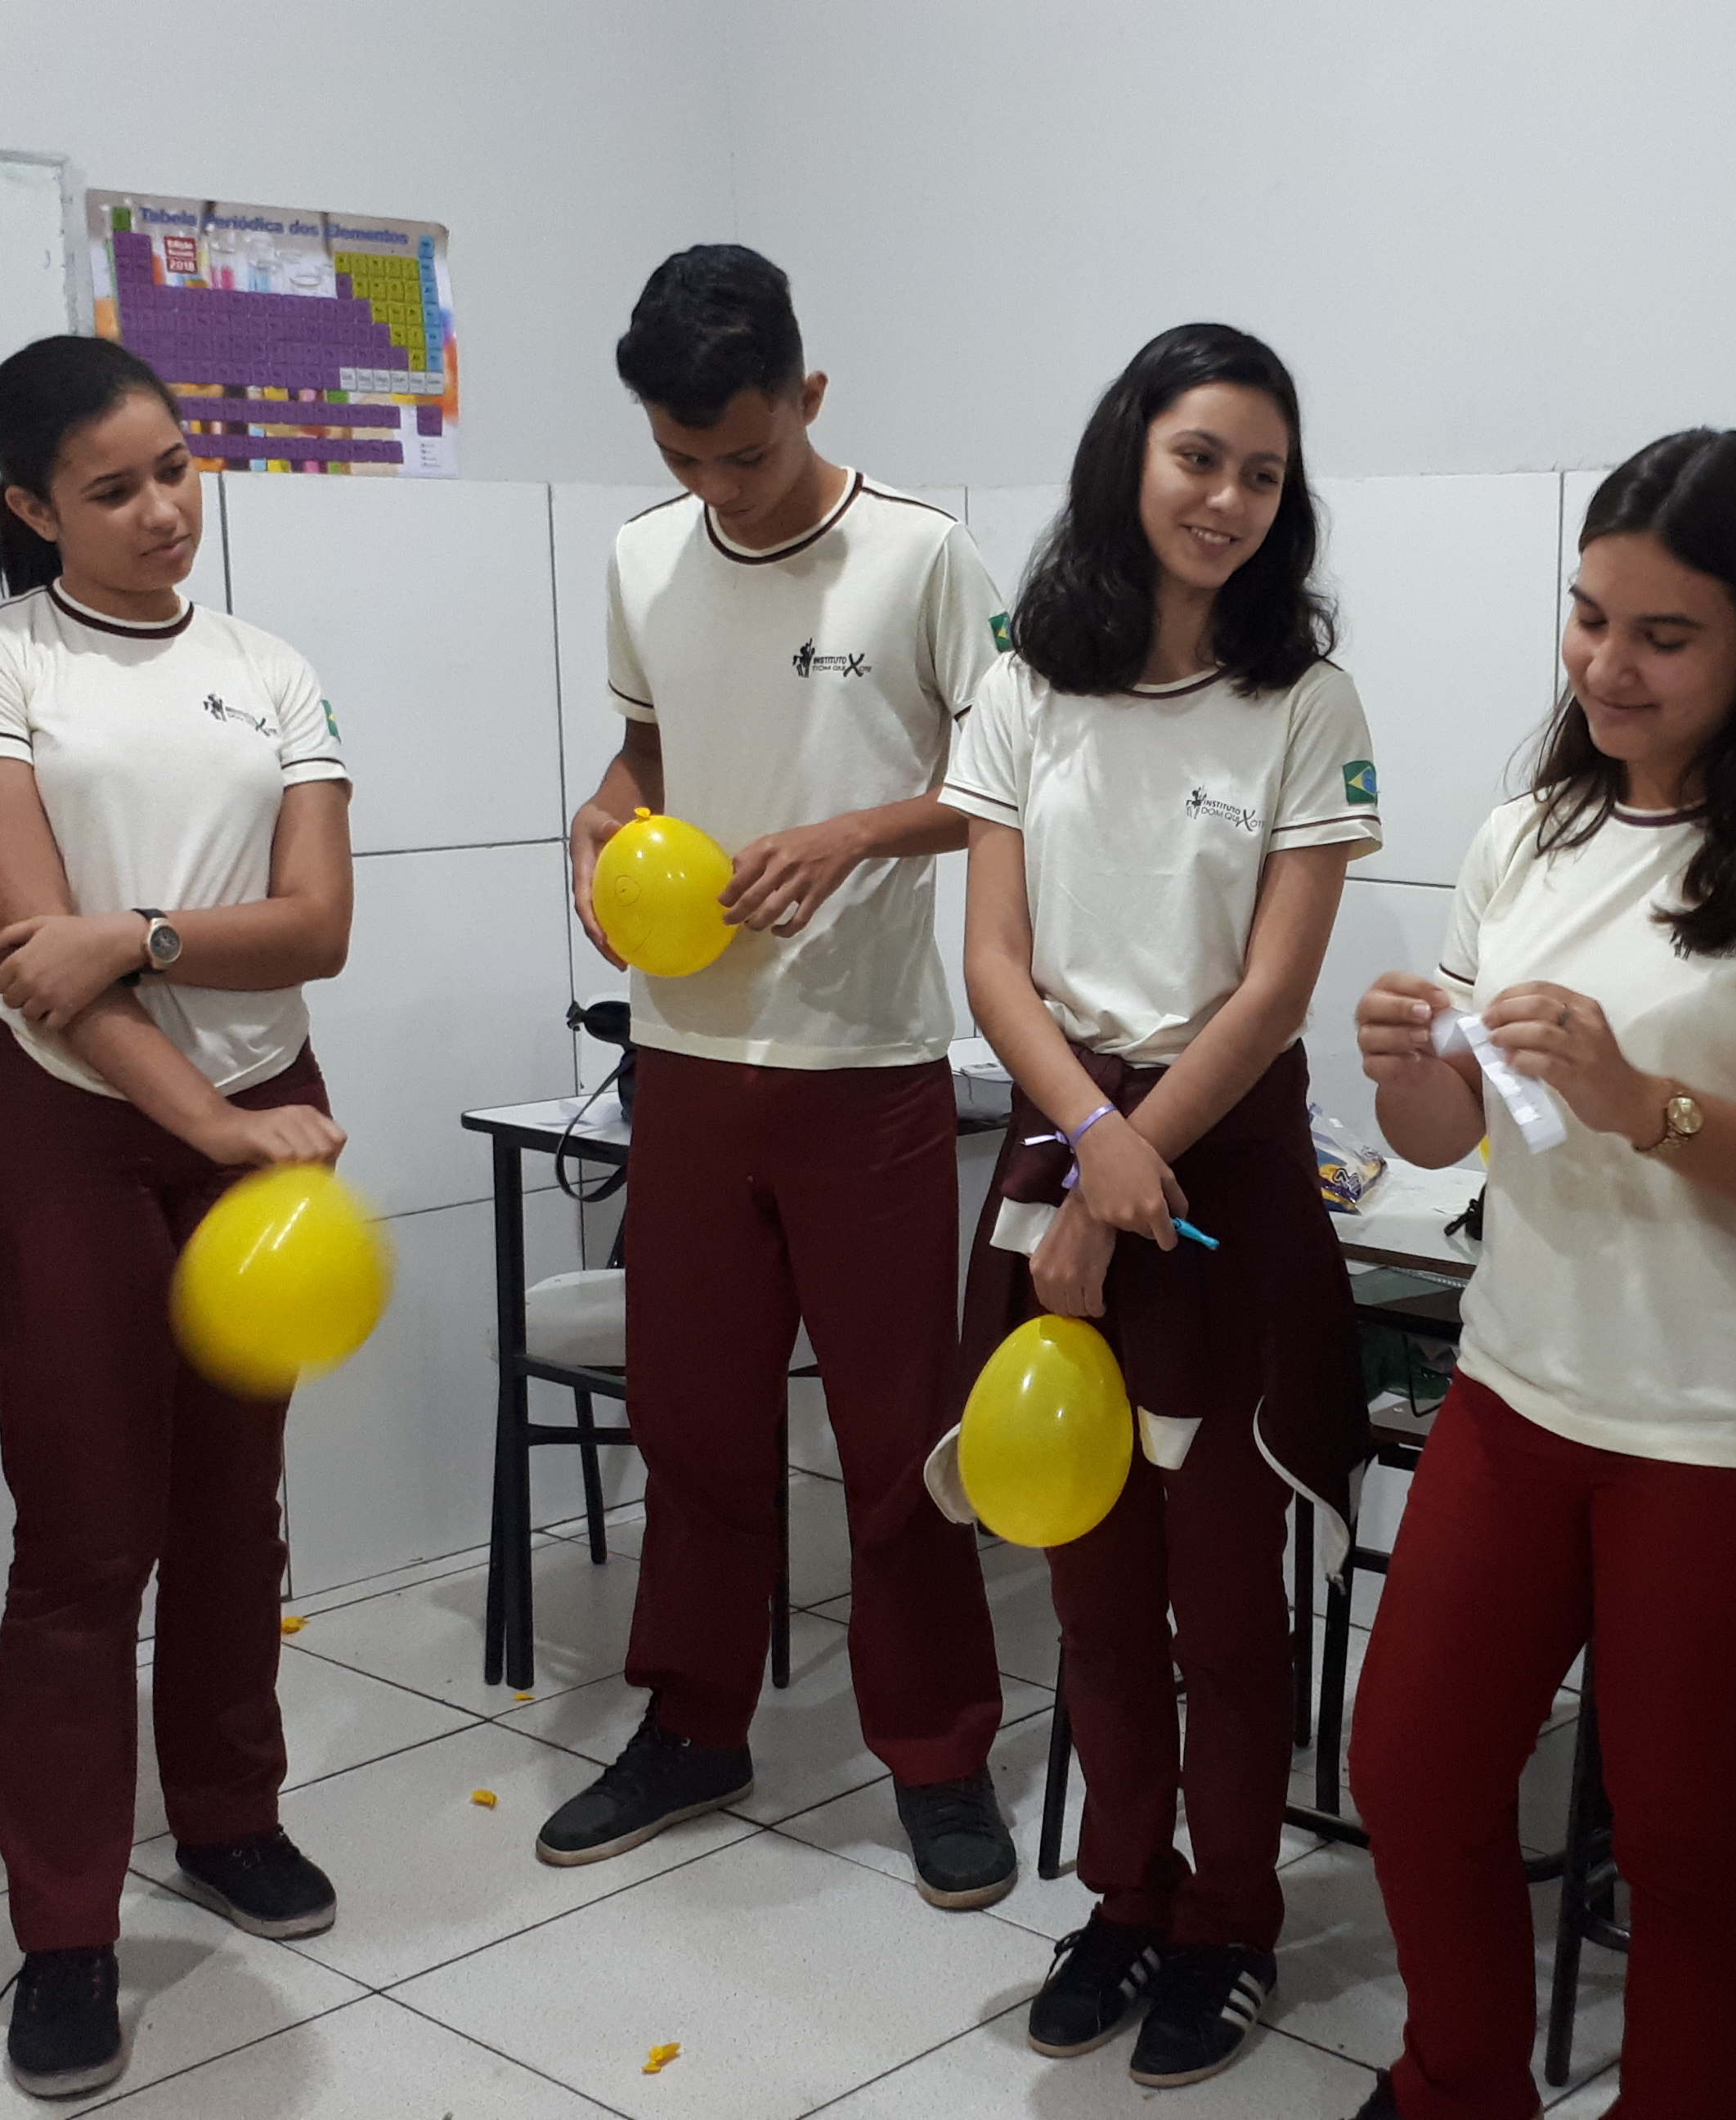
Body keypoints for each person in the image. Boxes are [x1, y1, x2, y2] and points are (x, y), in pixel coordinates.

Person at [1339, 429, 1736, 2120]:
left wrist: (1645, 1103)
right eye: (1590, 617)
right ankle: (1459, 2081)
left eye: (1663, 636)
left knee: (1678, 1837)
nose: (1608, 665)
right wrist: (1403, 1059)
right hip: (1523, 1391)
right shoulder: (1527, 835)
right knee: (1415, 1772)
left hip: (1732, 1434)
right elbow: (1448, 1132)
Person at [539, 245, 1016, 1906]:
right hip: (683, 1059)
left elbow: (1009, 778)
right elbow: (647, 754)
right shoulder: (643, 557)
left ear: (808, 396)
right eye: (682, 459)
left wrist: (855, 832)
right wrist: (601, 819)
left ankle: (939, 1754)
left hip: (863, 1065)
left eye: (744, 454)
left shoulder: (923, 557)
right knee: (693, 1425)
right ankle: (693, 1723)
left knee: (898, 1435)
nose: (718, 491)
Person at [0, 335, 357, 2100]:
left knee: (235, 1506)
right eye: (114, 489)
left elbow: (318, 926)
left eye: (176, 468)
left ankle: (229, 1817)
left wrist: (143, 932)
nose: (165, 509)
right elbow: (39, 969)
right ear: (33, 509)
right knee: (89, 1541)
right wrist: (210, 1118)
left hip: (266, 1102)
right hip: (76, 1129)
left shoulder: (271, 668)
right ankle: (65, 1934)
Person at [943, 321, 1375, 2091]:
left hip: (1223, 1168)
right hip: (1066, 1144)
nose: (1229, 499)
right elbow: (993, 959)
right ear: (1132, 454)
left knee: (1225, 1604)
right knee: (1095, 1586)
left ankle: (1231, 1923)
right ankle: (1124, 1900)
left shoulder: (1307, 702)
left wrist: (1128, 1166)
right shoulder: (1025, 683)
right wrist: (1086, 1141)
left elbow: (1272, 993)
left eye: (1264, 475)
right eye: (1201, 457)